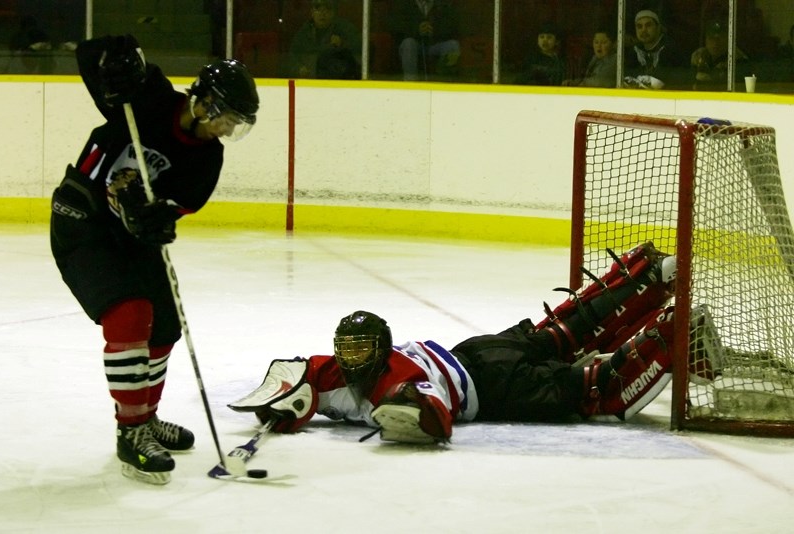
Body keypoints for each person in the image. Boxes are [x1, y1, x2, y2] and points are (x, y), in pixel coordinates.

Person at [49, 34, 259, 484]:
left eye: (237, 124)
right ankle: (131, 433)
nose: (226, 129)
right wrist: (116, 53)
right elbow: (92, 57)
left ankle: (144, 418)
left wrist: (156, 219)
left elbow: (172, 212)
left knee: (164, 324)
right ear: (203, 102)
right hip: (82, 221)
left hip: (128, 236)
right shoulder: (147, 97)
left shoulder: (207, 160)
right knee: (130, 314)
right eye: (226, 117)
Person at [229, 243, 687, 444]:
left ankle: (674, 331)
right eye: (346, 350)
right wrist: (282, 408)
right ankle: (644, 273)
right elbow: (298, 372)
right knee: (561, 334)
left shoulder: (396, 376)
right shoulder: (334, 370)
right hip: (478, 348)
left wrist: (406, 405)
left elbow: (435, 421)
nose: (350, 361)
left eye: (360, 350)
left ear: (382, 349)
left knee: (588, 388)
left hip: (492, 385)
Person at [285, 0, 361, 79]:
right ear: (312, 13)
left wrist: (343, 44)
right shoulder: (304, 32)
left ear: (334, 12)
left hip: (336, 81)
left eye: (327, 9)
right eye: (318, 9)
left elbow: (361, 52)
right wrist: (299, 69)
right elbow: (291, 57)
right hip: (309, 81)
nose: (323, 14)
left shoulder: (345, 29)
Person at [390, 0, 461, 81]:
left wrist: (434, 30)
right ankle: (411, 82)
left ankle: (444, 83)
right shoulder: (404, 3)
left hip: (435, 44)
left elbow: (453, 26)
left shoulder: (442, 3)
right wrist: (417, 30)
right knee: (408, 43)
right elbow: (395, 26)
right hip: (415, 44)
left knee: (453, 45)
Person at [624, 9, 686, 89]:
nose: (643, 30)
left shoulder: (672, 49)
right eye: (639, 26)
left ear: (658, 28)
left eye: (648, 25)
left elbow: (681, 78)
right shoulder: (633, 51)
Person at [691, 21, 749, 91]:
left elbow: (738, 88)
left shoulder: (738, 58)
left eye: (719, 38)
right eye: (711, 38)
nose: (715, 43)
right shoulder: (698, 56)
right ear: (706, 40)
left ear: (728, 39)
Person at [515, 22, 566, 86]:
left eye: (549, 37)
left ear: (557, 42)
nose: (545, 40)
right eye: (541, 37)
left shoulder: (560, 58)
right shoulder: (532, 58)